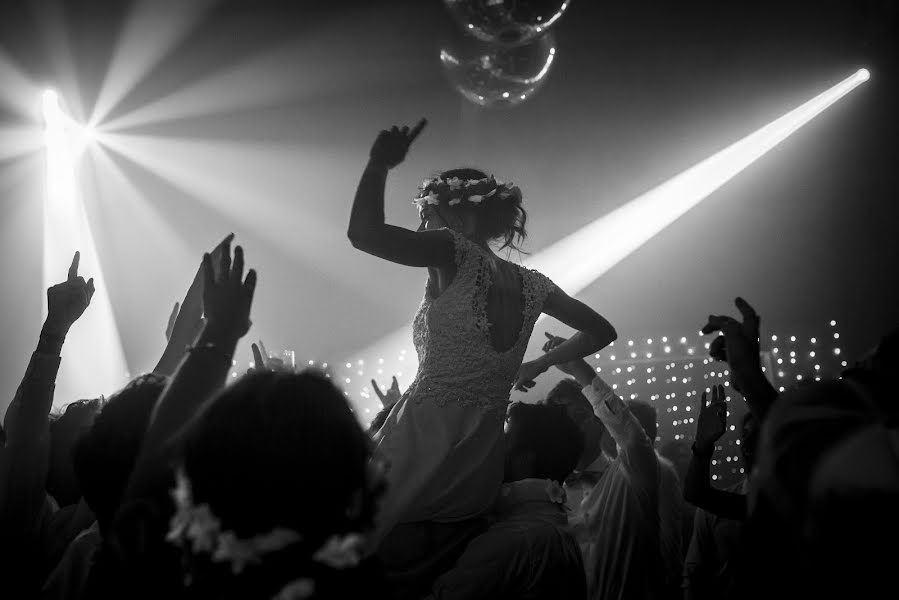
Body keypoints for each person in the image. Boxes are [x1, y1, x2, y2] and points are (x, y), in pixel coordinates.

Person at [347, 120, 617, 554]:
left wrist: (379, 164)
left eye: (425, 216)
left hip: (422, 438)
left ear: (459, 214)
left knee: (351, 550)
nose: (421, 229)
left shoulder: (451, 250)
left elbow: (363, 235)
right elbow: (602, 330)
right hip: (479, 458)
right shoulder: (534, 284)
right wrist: (536, 365)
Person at [0, 251, 98, 597]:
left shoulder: (86, 523)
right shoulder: (26, 520)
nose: (98, 436)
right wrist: (52, 333)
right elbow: (26, 436)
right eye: (86, 425)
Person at [427, 402, 587, 599]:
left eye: (505, 438)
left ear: (523, 460)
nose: (492, 450)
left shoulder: (513, 537)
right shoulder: (553, 522)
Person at [683, 386, 759, 600]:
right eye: (745, 435)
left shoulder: (788, 501)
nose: (747, 443)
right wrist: (703, 444)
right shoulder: (711, 513)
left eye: (757, 436)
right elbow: (693, 572)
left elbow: (695, 494)